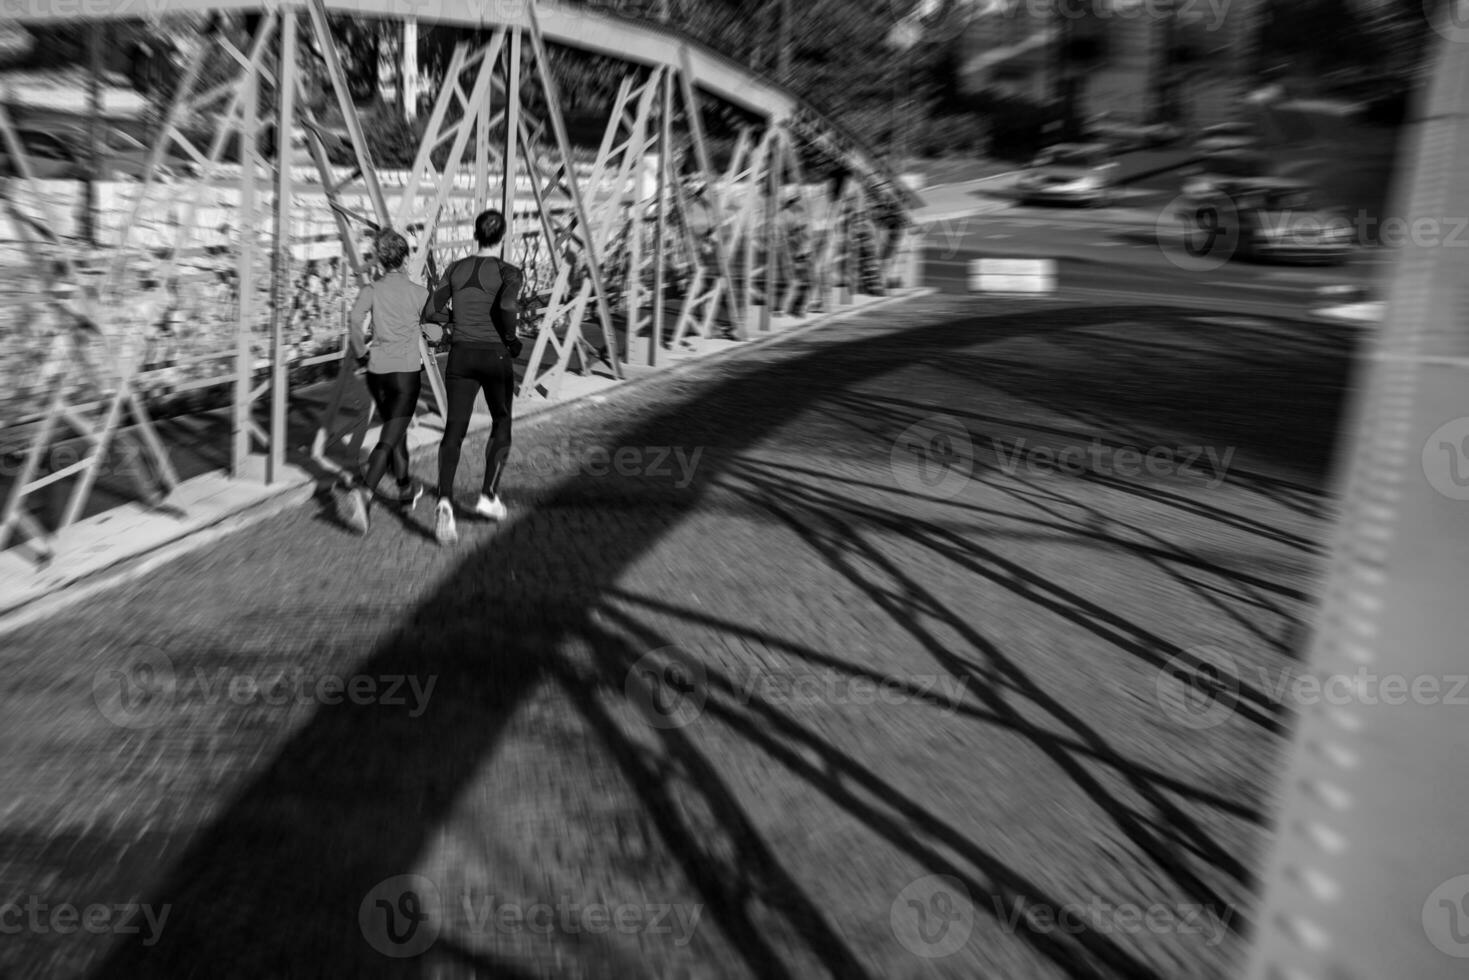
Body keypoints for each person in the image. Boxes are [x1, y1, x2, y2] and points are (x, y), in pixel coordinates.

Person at [421, 208, 524, 545]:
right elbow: (507, 307)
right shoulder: (509, 272)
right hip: (495, 354)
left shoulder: (455, 268)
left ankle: (445, 501)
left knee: (455, 430)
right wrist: (510, 340)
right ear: (503, 236)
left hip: (461, 354)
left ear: (475, 235)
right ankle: (488, 496)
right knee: (501, 422)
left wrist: (456, 320)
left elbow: (431, 310)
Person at [335, 228, 439, 534]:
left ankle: (406, 487)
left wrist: (361, 354)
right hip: (405, 373)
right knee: (390, 436)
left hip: (377, 373)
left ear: (380, 260)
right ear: (406, 259)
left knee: (397, 430)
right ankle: (364, 493)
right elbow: (433, 331)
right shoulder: (419, 293)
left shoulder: (371, 290)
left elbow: (354, 321)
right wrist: (433, 336)